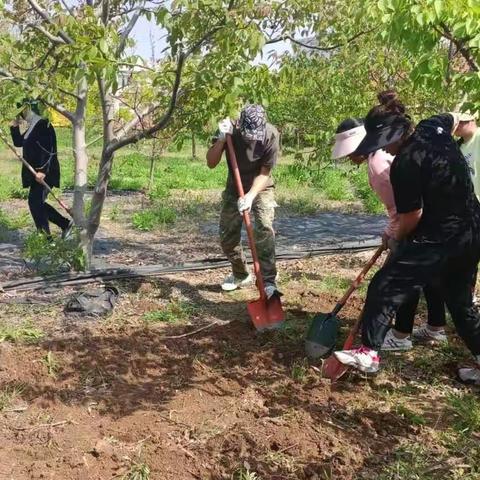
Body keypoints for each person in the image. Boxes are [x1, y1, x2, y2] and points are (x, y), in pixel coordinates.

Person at [333, 96, 480, 385]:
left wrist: (395, 238)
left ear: (397, 133)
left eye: (384, 140)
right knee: (460, 304)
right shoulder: (432, 127)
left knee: (384, 285)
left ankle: (369, 352)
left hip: (439, 237)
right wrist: (469, 135)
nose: (383, 147)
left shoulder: (404, 164)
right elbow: (454, 116)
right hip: (473, 230)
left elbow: (412, 216)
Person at [332, 111, 447, 351]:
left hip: (417, 221)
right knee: (429, 276)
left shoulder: (377, 165)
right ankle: (436, 328)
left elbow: (402, 207)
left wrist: (395, 236)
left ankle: (400, 335)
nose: (349, 159)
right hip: (433, 217)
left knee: (402, 278)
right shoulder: (381, 156)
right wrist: (389, 231)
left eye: (350, 153)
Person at [206, 104, 280, 297]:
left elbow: (265, 173)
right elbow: (211, 163)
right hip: (234, 187)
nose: (251, 139)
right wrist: (221, 140)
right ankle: (241, 274)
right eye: (248, 134)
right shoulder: (229, 130)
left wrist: (249, 196)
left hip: (261, 187)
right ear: (240, 125)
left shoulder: (271, 135)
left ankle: (268, 282)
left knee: (264, 228)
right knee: (227, 236)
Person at [10, 99, 72, 239]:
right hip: (35, 173)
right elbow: (18, 142)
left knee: (35, 202)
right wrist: (14, 126)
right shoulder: (33, 125)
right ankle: (62, 225)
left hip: (46, 172)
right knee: (36, 202)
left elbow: (48, 150)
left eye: (22, 111)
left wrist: (43, 171)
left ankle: (46, 236)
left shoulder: (43, 124)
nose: (21, 115)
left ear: (29, 109)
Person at [455, 111, 479, 199]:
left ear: (472, 120)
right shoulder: (456, 146)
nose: (457, 125)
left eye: (461, 122)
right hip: (470, 204)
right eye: (456, 122)